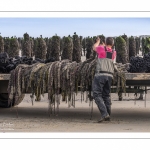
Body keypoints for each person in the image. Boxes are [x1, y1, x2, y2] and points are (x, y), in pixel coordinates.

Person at [92, 36, 116, 123]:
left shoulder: (101, 49)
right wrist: (103, 45)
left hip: (100, 74)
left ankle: (104, 113)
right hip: (109, 75)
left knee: (97, 94)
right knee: (106, 95)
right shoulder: (114, 52)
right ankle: (108, 114)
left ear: (105, 43)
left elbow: (94, 47)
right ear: (112, 44)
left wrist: (98, 41)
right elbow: (107, 53)